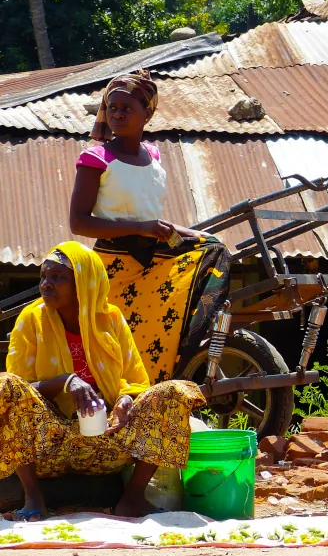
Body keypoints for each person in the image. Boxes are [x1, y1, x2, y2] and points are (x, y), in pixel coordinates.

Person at [1, 242, 205, 521]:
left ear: (83, 283)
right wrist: (65, 382)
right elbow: (19, 389)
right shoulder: (31, 320)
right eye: (43, 277)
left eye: (57, 277)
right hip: (49, 445)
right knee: (4, 385)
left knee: (174, 392)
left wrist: (124, 401)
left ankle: (133, 498)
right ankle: (33, 497)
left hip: (107, 441)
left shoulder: (110, 319)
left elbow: (134, 381)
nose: (46, 284)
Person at [69, 71, 230, 384]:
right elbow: (79, 223)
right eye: (112, 107)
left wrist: (188, 233)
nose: (117, 113)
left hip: (153, 259)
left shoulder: (154, 156)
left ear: (147, 113)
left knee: (215, 250)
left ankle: (188, 348)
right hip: (114, 268)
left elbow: (151, 217)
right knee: (121, 355)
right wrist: (142, 227)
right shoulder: (95, 158)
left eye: (127, 108)